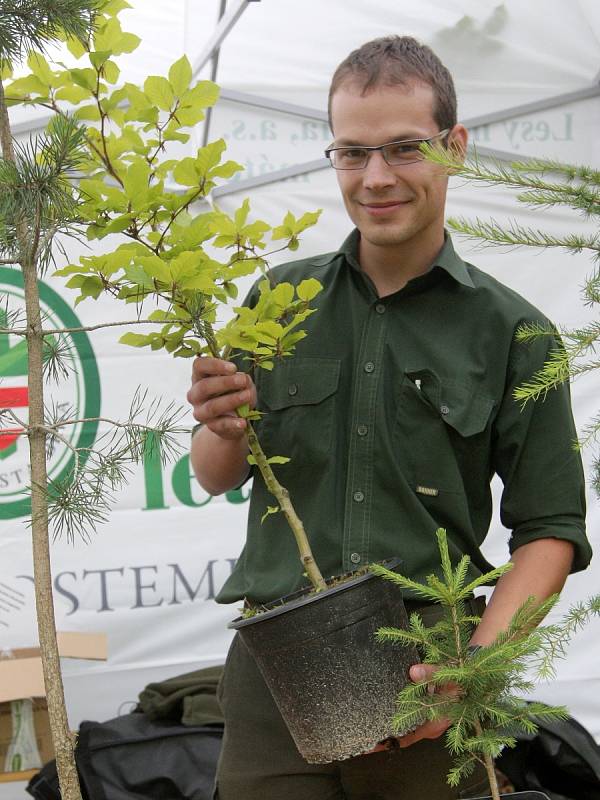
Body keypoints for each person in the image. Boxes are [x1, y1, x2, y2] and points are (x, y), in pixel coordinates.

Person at [187, 35, 592, 800]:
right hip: (275, 664)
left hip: (427, 668)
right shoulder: (277, 302)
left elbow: (550, 533)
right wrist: (221, 427)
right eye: (351, 153)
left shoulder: (515, 333)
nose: (375, 178)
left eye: (404, 149)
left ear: (455, 147)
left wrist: (469, 673)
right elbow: (214, 475)